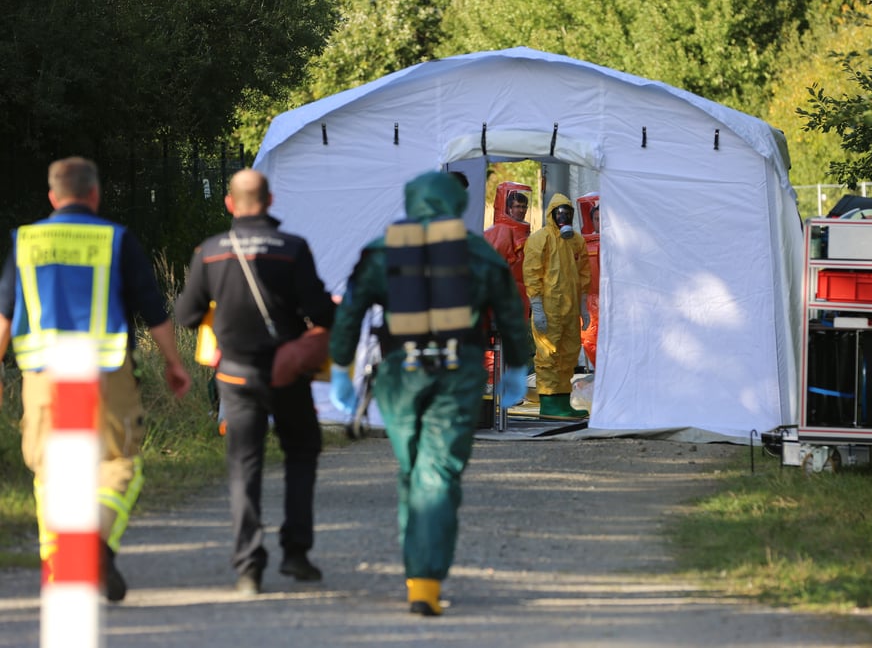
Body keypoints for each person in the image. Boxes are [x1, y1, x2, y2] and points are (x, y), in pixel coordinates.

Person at [328, 171, 532, 616]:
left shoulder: (382, 251)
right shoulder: (479, 252)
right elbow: (512, 313)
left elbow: (351, 313)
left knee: (412, 468)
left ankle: (416, 571)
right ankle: (425, 582)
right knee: (437, 473)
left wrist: (341, 370)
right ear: (456, 204)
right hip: (457, 375)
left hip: (399, 376)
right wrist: (518, 365)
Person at [0, 156, 192, 601]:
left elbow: (5, 314)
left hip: (44, 374)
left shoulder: (25, 241)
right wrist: (173, 363)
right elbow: (154, 309)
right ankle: (93, 540)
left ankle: (59, 566)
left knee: (50, 471)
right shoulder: (116, 240)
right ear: (94, 194)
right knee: (117, 464)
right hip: (103, 373)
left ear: (52, 196)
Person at [174, 168, 334, 595]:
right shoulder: (292, 248)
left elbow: (187, 316)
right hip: (286, 373)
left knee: (245, 466)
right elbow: (321, 312)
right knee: (301, 453)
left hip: (235, 375)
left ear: (230, 203)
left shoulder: (209, 252)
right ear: (270, 200)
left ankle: (248, 567)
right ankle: (296, 554)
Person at [523, 193, 591, 418]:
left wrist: (582, 305)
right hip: (549, 307)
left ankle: (562, 400)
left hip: (570, 308)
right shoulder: (539, 238)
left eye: (567, 212)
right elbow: (531, 273)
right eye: (559, 212)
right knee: (548, 355)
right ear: (551, 214)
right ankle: (549, 403)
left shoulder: (576, 241)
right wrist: (537, 306)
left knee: (569, 354)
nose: (564, 216)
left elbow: (583, 274)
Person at [482, 181, 533, 386]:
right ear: (507, 207)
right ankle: (491, 389)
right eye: (517, 206)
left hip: (519, 299)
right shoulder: (500, 232)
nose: (520, 211)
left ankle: (504, 392)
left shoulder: (523, 234)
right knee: (495, 347)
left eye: (523, 207)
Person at [577, 193, 600, 368]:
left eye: (603, 218)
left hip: (612, 301)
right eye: (597, 219)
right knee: (590, 342)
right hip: (590, 302)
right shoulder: (582, 244)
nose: (600, 222)